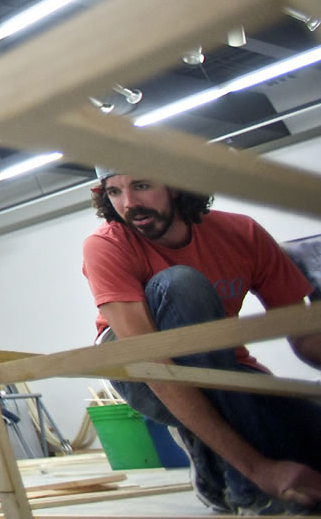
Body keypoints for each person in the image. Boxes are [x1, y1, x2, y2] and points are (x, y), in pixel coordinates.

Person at [82, 168, 321, 515]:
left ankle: (225, 473)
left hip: (227, 365)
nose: (129, 204)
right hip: (139, 369)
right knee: (181, 285)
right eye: (115, 192)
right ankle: (238, 485)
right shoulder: (106, 244)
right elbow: (151, 363)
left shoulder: (243, 234)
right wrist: (257, 469)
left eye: (142, 185)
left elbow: (304, 334)